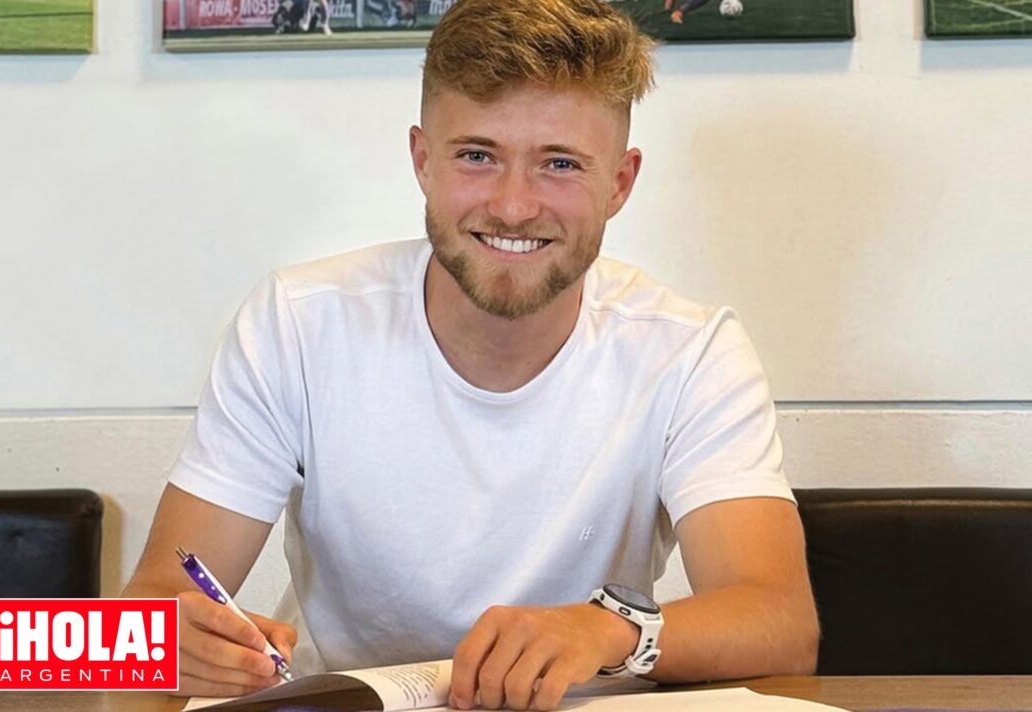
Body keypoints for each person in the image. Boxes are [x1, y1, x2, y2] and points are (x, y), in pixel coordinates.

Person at [122, 0, 819, 709]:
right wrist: (164, 644)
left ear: (619, 183)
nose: (514, 207)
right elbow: (117, 631)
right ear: (423, 160)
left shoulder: (692, 352)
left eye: (559, 164)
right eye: (477, 156)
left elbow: (783, 623)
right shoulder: (296, 323)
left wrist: (607, 630)